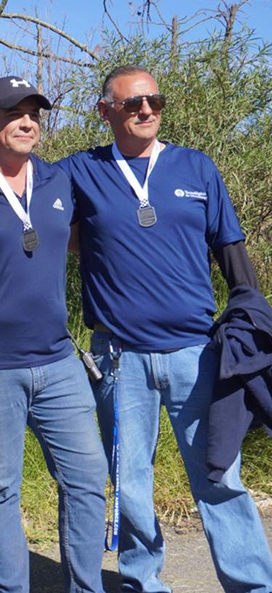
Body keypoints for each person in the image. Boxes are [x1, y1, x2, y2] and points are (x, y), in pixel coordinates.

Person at [57, 64, 272, 593]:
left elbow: (229, 246)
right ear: (105, 111)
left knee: (220, 476)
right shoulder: (79, 172)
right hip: (119, 357)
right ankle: (142, 583)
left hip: (195, 354)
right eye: (133, 104)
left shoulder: (196, 168)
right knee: (131, 485)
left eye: (154, 101)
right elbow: (18, 190)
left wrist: (256, 318)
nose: (147, 110)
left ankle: (253, 585)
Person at [0, 77, 108, 593]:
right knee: (0, 489)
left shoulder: (58, 180)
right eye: (13, 113)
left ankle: (86, 587)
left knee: (88, 480)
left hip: (59, 362)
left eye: (34, 112)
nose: (27, 121)